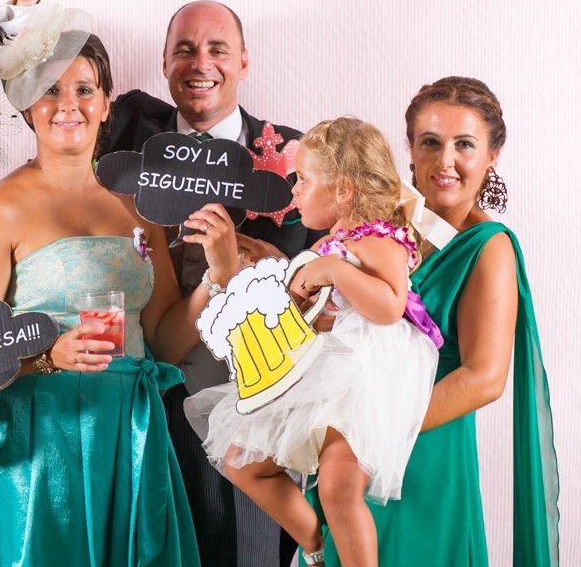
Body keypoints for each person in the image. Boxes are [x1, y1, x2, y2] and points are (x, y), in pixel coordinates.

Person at [0, 0, 318, 567]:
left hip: (246, 404)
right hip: (137, 404)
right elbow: (44, 94)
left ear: (245, 62)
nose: (201, 63)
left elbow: (324, 278)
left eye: (218, 49)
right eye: (185, 50)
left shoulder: (293, 157)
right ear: (165, 63)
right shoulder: (125, 125)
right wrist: (24, 5)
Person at [0, 3, 243, 566]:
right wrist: (48, 355)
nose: (68, 106)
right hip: (36, 443)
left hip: (129, 433)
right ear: (29, 105)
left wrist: (216, 277)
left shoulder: (140, 205)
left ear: (108, 103)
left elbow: (163, 337)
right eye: (51, 91)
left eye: (84, 89)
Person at [309, 77, 560, 566]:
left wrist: (370, 431)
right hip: (348, 455)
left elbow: (485, 379)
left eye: (464, 145)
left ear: (492, 156)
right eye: (431, 143)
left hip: (421, 452)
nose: (445, 161)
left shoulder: (490, 247)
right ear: (410, 151)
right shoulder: (378, 226)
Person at [187, 117, 441, 566]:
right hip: (324, 367)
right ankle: (315, 547)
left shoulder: (381, 237)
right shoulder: (334, 242)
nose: (294, 191)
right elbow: (315, 296)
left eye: (303, 180)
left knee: (338, 484)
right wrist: (274, 268)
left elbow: (387, 306)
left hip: (369, 372)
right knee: (242, 461)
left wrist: (335, 271)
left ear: (343, 190)